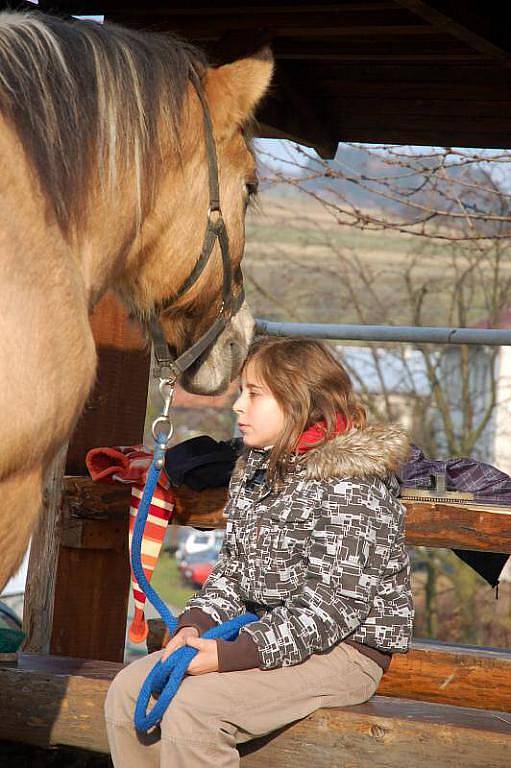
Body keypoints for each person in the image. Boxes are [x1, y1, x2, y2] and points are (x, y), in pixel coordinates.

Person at [105, 336, 414, 767]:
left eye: (254, 394)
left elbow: (330, 609)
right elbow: (232, 572)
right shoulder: (255, 468)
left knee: (198, 712)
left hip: (343, 652)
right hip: (258, 635)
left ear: (297, 401)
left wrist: (230, 655)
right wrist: (194, 625)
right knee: (128, 690)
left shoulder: (353, 485)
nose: (237, 406)